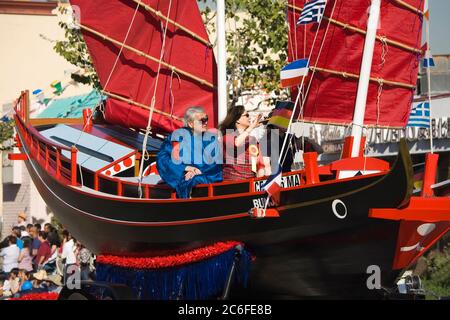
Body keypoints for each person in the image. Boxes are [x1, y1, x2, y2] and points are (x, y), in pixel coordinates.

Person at [156, 106, 223, 198]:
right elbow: (163, 159)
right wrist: (185, 168)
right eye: (202, 120)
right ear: (191, 124)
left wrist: (197, 172)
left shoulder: (211, 139)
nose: (206, 122)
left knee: (197, 179)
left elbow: (216, 163)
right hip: (182, 178)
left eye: (206, 119)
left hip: (204, 178)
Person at [219, 105, 264, 181]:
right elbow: (236, 143)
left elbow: (258, 164)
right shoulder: (227, 136)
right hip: (231, 183)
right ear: (237, 120)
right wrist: (251, 127)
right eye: (246, 115)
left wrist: (260, 182)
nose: (249, 118)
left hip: (250, 182)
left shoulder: (252, 139)